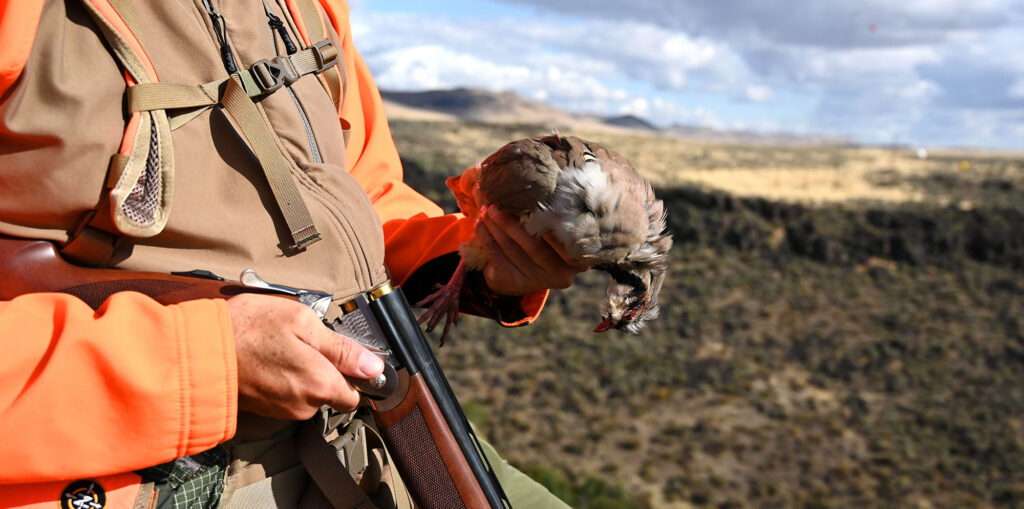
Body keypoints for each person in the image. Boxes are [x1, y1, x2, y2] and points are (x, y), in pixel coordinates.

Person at [0, 0, 580, 507]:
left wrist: (478, 261)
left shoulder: (312, 6)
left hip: (360, 423)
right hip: (148, 476)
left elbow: (357, 194)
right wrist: (208, 360)